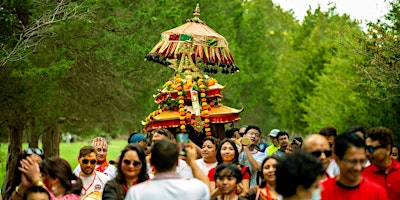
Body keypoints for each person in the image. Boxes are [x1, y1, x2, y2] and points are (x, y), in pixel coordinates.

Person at [125, 140, 209, 200]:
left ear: (150, 163)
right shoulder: (195, 188)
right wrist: (192, 162)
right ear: (177, 162)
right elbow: (208, 189)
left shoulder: (136, 192)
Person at [320, 132, 388, 200]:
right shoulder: (320, 192)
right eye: (352, 162)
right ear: (337, 160)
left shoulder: (377, 194)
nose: (358, 168)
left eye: (362, 161)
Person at [18, 157, 83, 200]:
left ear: (54, 179)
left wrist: (36, 180)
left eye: (42, 176)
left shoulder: (72, 197)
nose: (40, 178)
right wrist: (23, 187)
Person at [363, 126, 400, 200]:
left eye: (371, 149)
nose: (367, 154)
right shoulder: (363, 176)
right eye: (366, 149)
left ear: (387, 149)